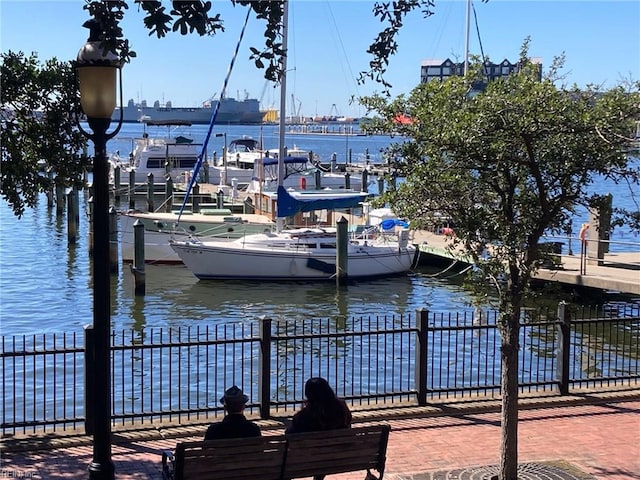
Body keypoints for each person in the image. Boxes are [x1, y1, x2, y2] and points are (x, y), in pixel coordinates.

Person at [285, 377, 352, 434]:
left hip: (311, 448)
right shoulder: (342, 409)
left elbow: (289, 433)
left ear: (308, 394)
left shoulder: (303, 416)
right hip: (343, 447)